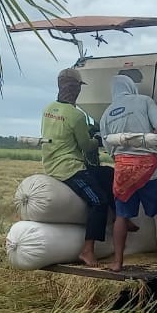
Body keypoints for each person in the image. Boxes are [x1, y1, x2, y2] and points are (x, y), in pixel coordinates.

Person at [100, 74, 157, 271]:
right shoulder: (144, 101)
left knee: (121, 216)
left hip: (123, 171)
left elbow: (108, 147)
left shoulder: (106, 114)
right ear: (130, 87)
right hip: (148, 169)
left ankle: (117, 262)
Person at [40, 68, 115, 267]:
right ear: (75, 90)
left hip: (51, 163)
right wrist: (98, 139)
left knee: (108, 174)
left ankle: (120, 219)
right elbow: (86, 146)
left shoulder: (48, 109)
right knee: (98, 201)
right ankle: (87, 250)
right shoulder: (76, 115)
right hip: (70, 168)